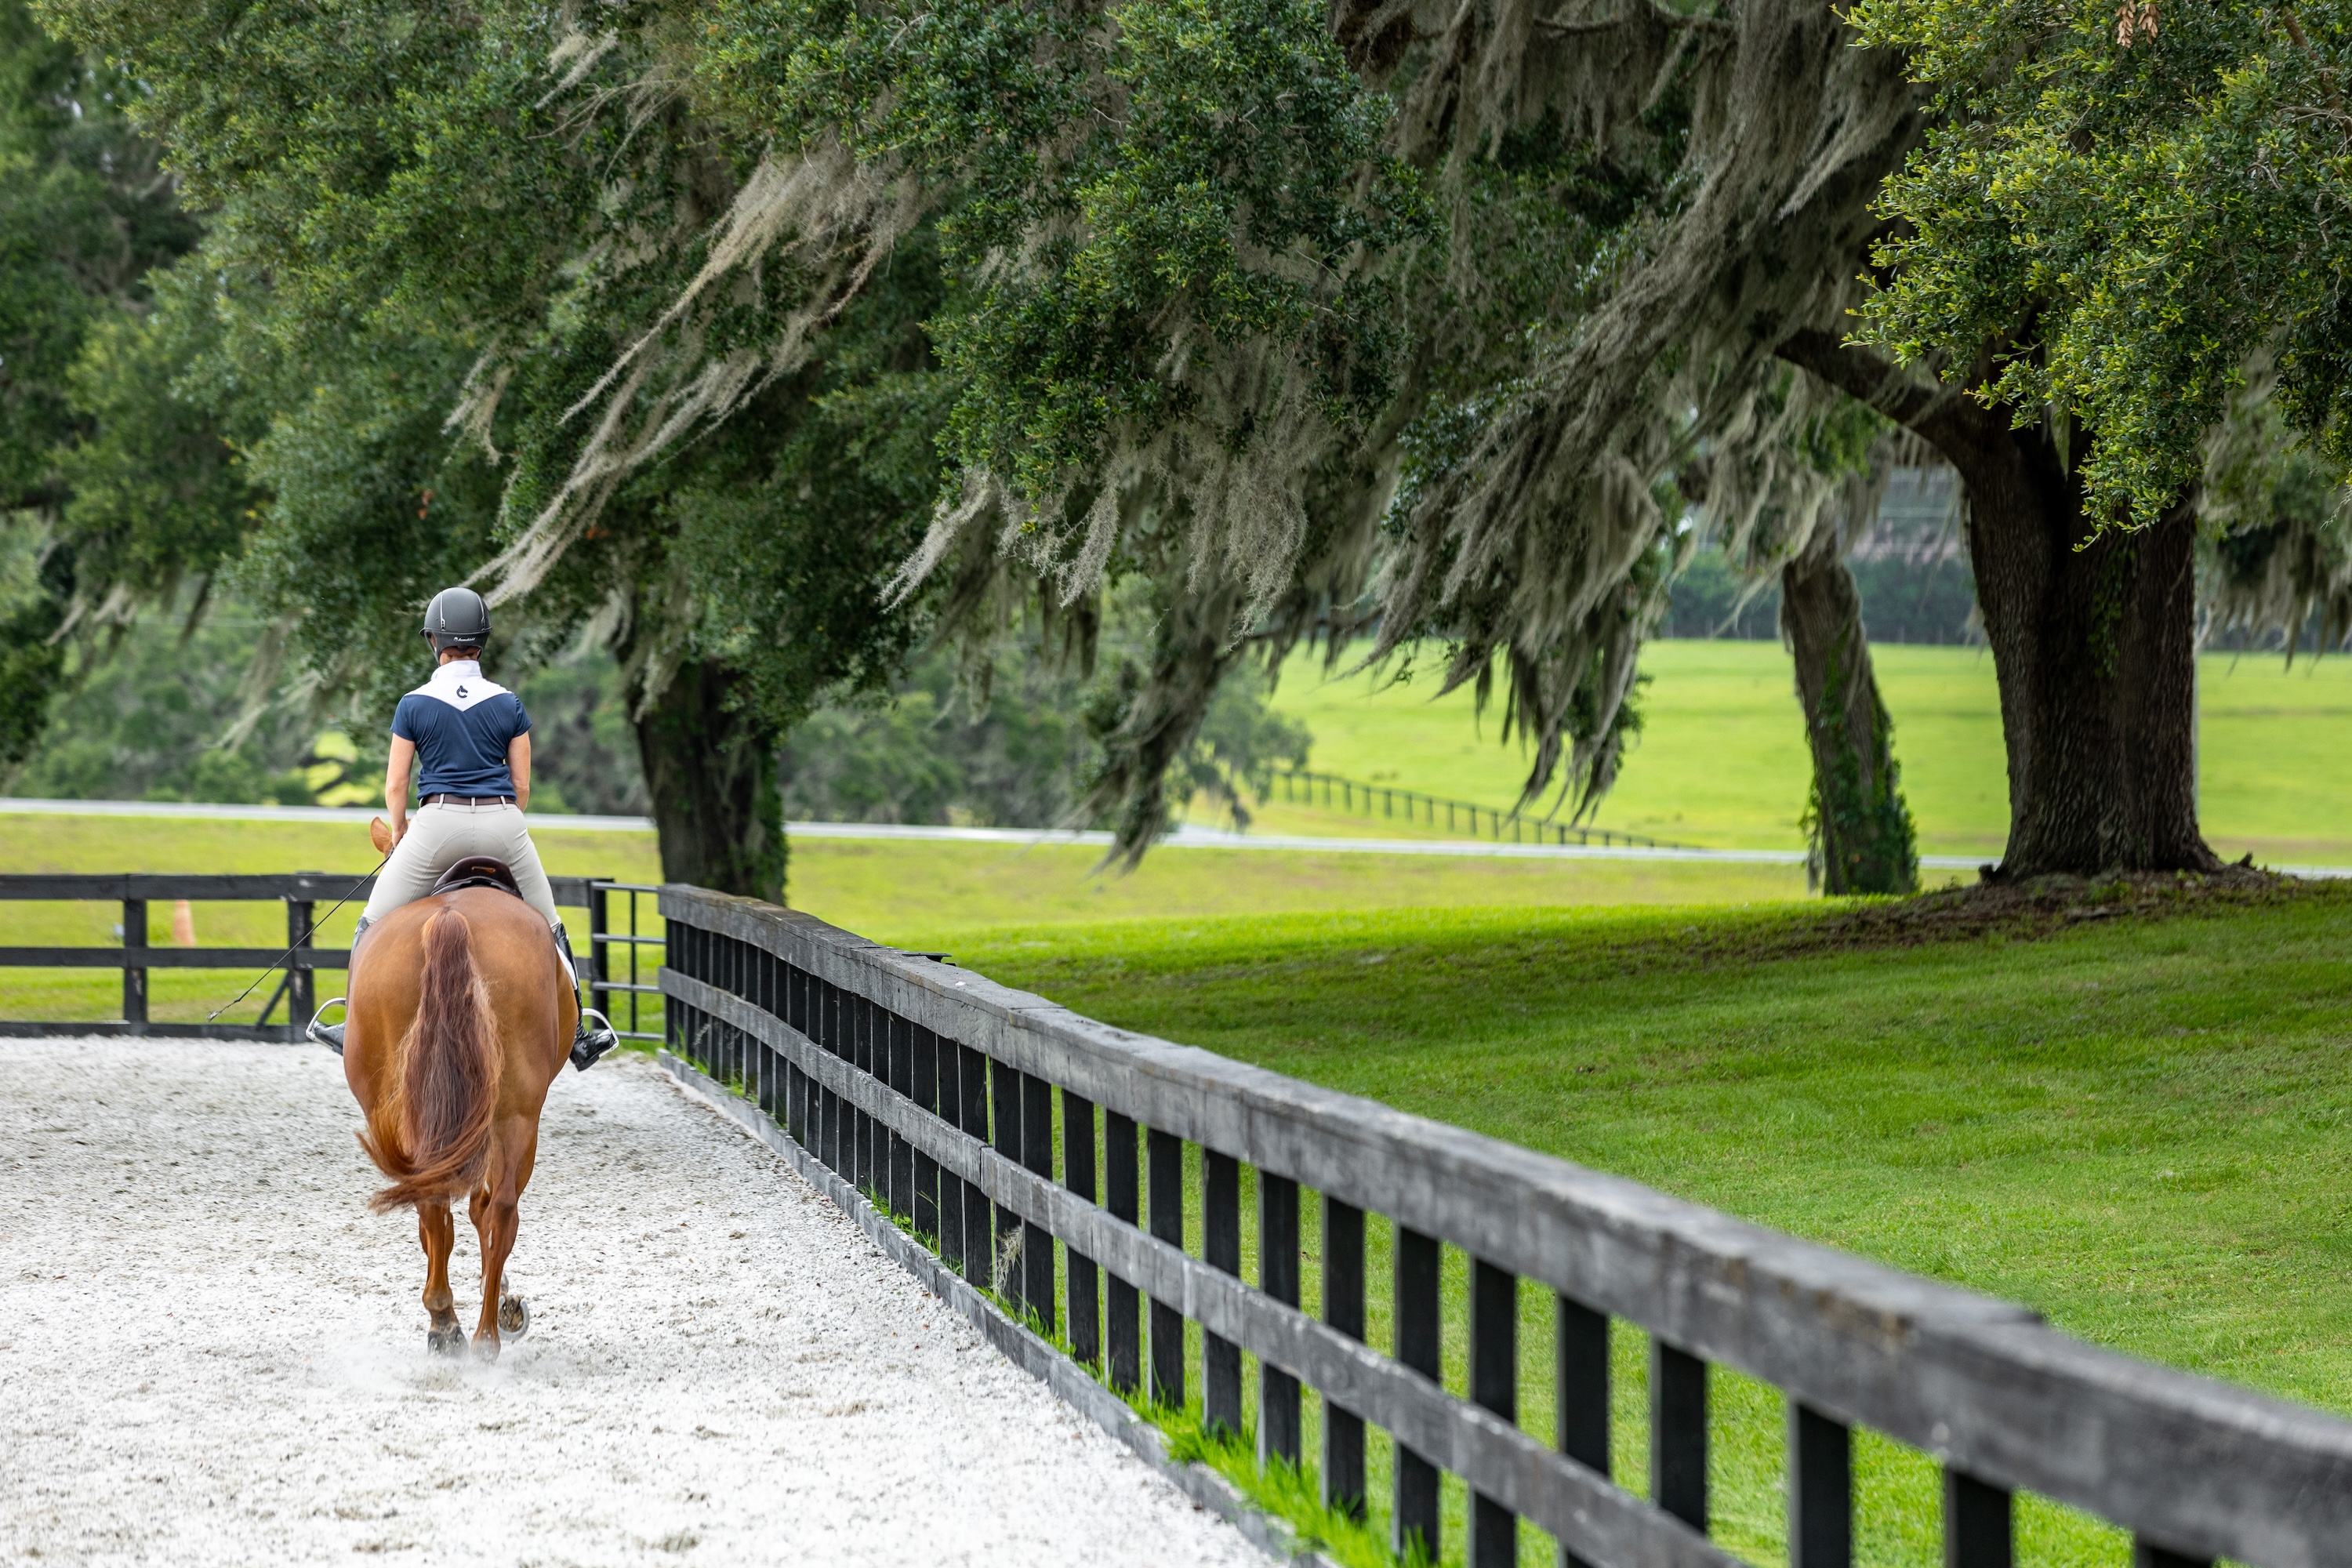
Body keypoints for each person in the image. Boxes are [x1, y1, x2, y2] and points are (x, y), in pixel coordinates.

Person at [314, 587, 616, 1070]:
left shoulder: (413, 703)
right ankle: (579, 1032)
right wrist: (505, 821)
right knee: (552, 925)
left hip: (436, 826)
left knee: (372, 920)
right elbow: (522, 785)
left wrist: (398, 837)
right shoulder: (509, 703)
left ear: (433, 641)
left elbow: (396, 786)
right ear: (482, 643)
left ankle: (353, 1022)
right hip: (502, 822)